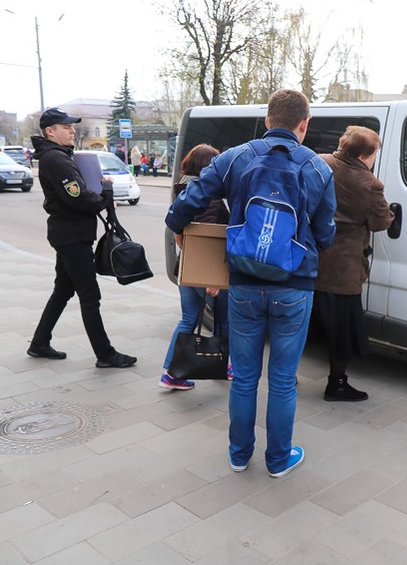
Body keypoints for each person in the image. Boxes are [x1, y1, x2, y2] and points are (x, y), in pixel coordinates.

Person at [165, 89, 336, 479]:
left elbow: (188, 202)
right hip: (294, 286)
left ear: (267, 120)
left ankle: (239, 455)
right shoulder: (318, 168)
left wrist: (179, 230)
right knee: (283, 380)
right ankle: (278, 460)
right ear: (304, 124)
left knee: (244, 378)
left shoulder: (235, 158)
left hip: (243, 281)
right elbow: (326, 234)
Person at [27, 108, 136, 369]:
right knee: (90, 296)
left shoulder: (58, 156)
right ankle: (105, 355)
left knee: (63, 290)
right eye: (66, 127)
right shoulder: (56, 159)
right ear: (50, 131)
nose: (72, 130)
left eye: (72, 127)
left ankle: (39, 343)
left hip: (68, 234)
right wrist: (105, 195)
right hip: (72, 237)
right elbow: (78, 197)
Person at [311, 126, 394, 402]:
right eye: (373, 155)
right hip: (342, 268)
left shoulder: (319, 162)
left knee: (302, 324)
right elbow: (380, 222)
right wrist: (391, 214)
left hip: (311, 260)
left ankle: (286, 376)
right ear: (362, 156)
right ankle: (336, 384)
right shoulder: (369, 184)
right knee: (341, 331)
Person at [160, 143, 230, 390]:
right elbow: (206, 238)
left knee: (188, 319)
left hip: (186, 267)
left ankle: (171, 372)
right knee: (222, 321)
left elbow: (179, 232)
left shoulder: (182, 190)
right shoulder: (210, 198)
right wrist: (211, 277)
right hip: (206, 271)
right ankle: (221, 364)